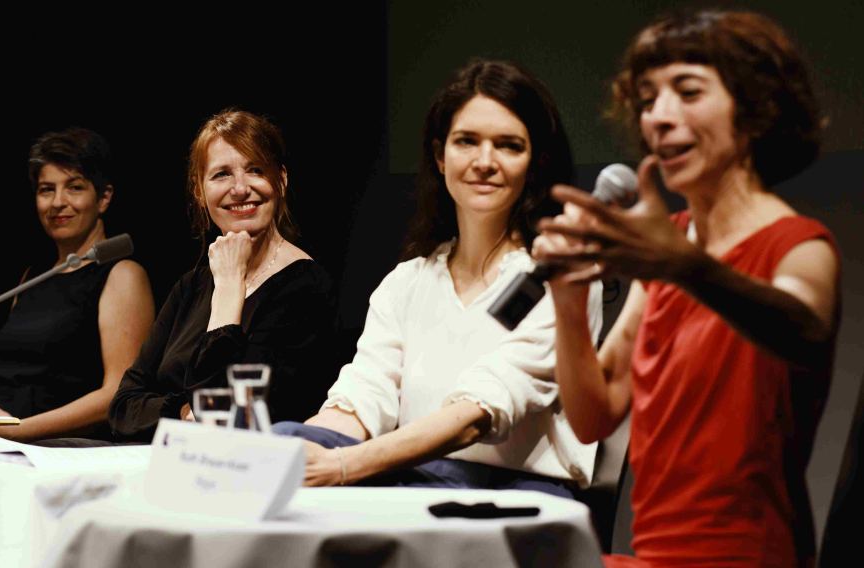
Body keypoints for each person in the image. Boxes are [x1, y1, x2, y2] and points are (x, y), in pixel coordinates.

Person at [532, 10, 840, 566]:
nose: (659, 117)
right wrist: (569, 302)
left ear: (754, 110)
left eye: (688, 92)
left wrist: (686, 268)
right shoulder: (671, 246)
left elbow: (805, 329)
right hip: (652, 554)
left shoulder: (799, 245)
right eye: (649, 99)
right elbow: (594, 414)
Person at [274, 60, 603, 495]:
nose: (484, 161)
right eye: (467, 141)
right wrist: (298, 449)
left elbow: (476, 415)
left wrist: (341, 465)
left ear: (535, 163)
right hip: (414, 475)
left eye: (508, 146)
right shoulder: (407, 282)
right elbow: (364, 398)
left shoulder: (559, 277)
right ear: (439, 155)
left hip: (515, 490)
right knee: (282, 440)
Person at [108, 109, 337, 443]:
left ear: (282, 180)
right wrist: (186, 413)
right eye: (221, 175)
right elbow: (123, 408)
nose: (240, 188)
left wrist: (230, 289)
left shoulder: (307, 287)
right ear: (200, 192)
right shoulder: (190, 286)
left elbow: (230, 420)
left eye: (256, 170)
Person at [0, 127, 155, 442]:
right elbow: (13, 366)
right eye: (46, 190)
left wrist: (16, 429)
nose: (58, 202)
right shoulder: (33, 276)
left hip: (62, 449)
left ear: (104, 198)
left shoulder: (123, 275)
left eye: (75, 187)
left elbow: (119, 393)